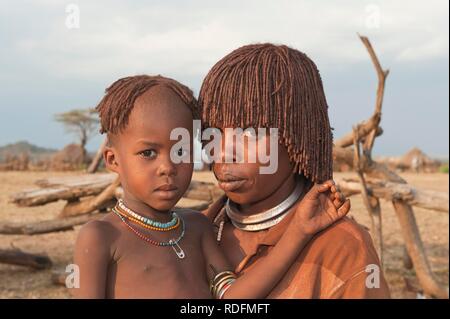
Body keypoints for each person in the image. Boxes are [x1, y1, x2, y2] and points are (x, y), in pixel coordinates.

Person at [73, 74, 350, 298]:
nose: (167, 167)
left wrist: (298, 232)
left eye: (181, 152)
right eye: (148, 153)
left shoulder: (197, 227)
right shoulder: (100, 237)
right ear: (112, 160)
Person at [199, 43, 391, 298]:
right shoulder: (187, 235)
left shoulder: (342, 250)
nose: (223, 152)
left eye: (250, 133)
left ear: (297, 138)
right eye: (213, 132)